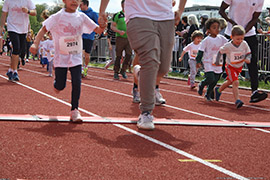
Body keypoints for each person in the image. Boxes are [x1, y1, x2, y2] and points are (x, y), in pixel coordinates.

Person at [99, 0, 187, 130]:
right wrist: (102, 11)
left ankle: (141, 74)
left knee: (163, 69)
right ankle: (146, 113)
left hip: (165, 17)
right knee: (150, 60)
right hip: (138, 15)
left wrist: (180, 9)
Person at [30, 0, 103, 122]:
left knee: (77, 81)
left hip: (76, 56)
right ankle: (57, 84)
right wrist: (35, 44)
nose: (74, 1)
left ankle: (75, 110)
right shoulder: (58, 16)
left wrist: (103, 25)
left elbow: (97, 30)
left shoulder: (81, 16)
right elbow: (43, 29)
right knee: (60, 86)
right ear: (64, 0)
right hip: (61, 58)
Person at [219, 0, 268, 103]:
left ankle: (254, 91)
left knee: (253, 62)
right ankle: (213, 85)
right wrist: (232, 22)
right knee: (224, 61)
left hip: (249, 33)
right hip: (231, 32)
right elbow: (221, 10)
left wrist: (244, 32)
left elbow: (255, 18)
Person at [215, 25, 251, 108]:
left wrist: (248, 58)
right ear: (232, 37)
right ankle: (237, 100)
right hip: (230, 66)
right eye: (237, 39)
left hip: (239, 66)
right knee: (236, 82)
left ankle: (218, 90)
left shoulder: (244, 44)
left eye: (242, 39)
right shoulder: (228, 46)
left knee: (230, 81)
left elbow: (248, 53)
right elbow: (220, 51)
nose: (240, 41)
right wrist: (217, 61)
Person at [0, 0, 36, 81]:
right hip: (12, 27)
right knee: (16, 48)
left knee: (19, 50)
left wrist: (28, 11)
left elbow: (34, 12)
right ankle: (15, 71)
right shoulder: (8, 1)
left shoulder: (27, 1)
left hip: (23, 28)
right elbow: (4, 13)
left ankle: (10, 70)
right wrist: (1, 26)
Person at [196, 18, 228, 101]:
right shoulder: (206, 40)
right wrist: (198, 61)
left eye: (218, 27)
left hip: (218, 61)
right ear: (208, 30)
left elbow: (229, 44)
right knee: (210, 78)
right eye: (214, 27)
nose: (217, 29)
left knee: (215, 80)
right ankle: (202, 84)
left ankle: (208, 94)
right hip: (208, 61)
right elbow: (201, 51)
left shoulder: (222, 38)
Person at [111, 0, 132, 80]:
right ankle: (116, 72)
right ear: (122, 5)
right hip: (120, 38)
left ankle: (123, 70)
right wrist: (119, 31)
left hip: (129, 38)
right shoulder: (117, 15)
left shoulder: (131, 15)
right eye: (124, 5)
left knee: (129, 55)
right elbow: (112, 27)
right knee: (118, 56)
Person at [80, 0, 99, 78]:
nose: (79, 6)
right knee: (80, 53)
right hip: (80, 36)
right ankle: (80, 69)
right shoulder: (79, 13)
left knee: (87, 55)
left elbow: (97, 25)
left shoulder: (93, 14)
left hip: (89, 37)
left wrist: (90, 29)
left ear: (85, 5)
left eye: (81, 5)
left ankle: (85, 67)